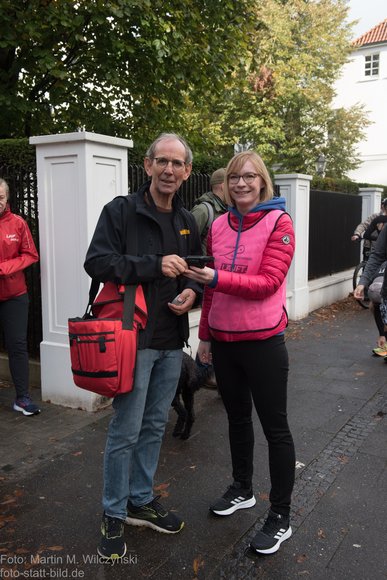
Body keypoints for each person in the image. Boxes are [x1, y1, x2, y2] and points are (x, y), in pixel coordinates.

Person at [84, 133, 202, 560]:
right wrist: (153, 265)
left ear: (187, 172)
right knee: (125, 430)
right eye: (162, 162)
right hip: (131, 338)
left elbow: (196, 268)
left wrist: (192, 291)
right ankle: (113, 515)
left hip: (172, 342)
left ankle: (139, 499)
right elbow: (96, 262)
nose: (169, 170)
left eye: (177, 164)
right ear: (148, 166)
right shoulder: (121, 211)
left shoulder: (187, 220)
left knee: (154, 426)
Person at [184, 150, 296, 555]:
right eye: (234, 178)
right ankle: (242, 488)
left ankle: (280, 515)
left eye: (249, 177)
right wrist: (206, 336)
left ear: (262, 181)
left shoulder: (279, 222)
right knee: (236, 419)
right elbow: (211, 290)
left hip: (264, 342)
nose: (242, 183)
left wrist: (216, 276)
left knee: (276, 429)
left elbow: (268, 282)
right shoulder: (217, 224)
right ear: (226, 185)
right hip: (226, 343)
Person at [0, 178, 40, 416]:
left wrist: (4, 268)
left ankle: (23, 398)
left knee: (17, 346)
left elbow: (31, 255)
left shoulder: (18, 224)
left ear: (7, 198)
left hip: (15, 294)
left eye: (0, 196)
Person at [191, 167, 227, 254]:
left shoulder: (226, 210)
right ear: (223, 186)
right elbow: (186, 241)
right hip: (203, 266)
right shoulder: (203, 210)